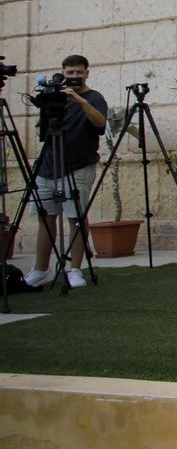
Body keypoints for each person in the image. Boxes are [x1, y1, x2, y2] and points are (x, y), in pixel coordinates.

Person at [22, 54, 108, 289]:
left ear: (87, 72)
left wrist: (80, 101)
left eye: (79, 72)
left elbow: (100, 123)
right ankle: (41, 270)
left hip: (78, 167)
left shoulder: (94, 97)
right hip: (48, 166)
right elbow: (44, 132)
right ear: (63, 73)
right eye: (69, 73)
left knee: (76, 219)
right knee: (45, 218)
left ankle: (75, 269)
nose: (74, 77)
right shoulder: (55, 98)